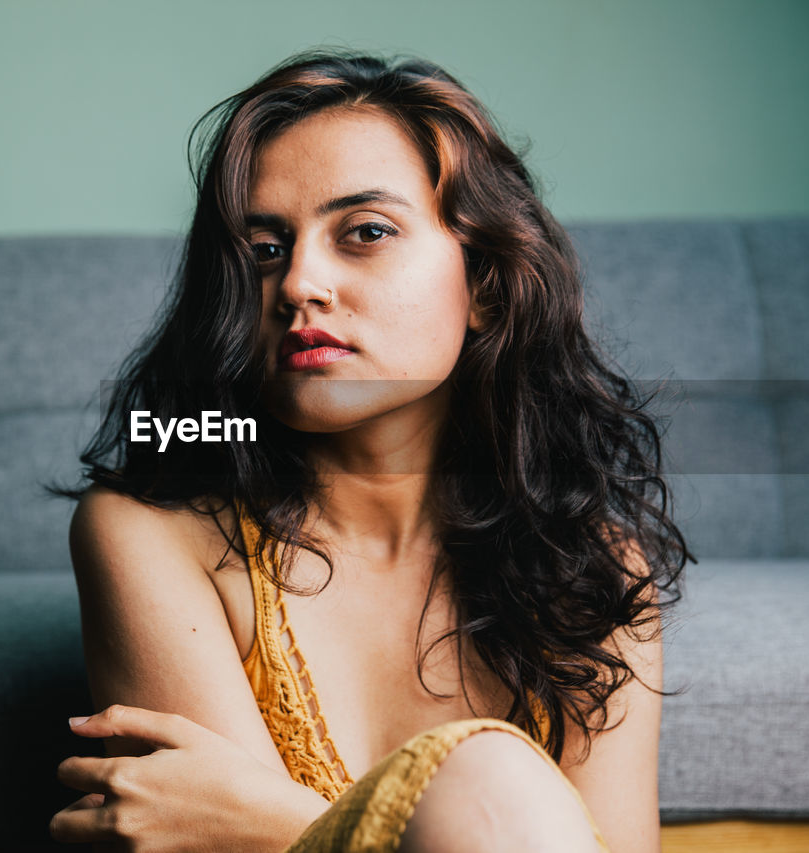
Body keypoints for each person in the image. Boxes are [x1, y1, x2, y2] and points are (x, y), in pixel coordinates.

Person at [47, 49, 690, 852]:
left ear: (485, 284)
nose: (298, 285)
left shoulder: (597, 565)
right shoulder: (144, 530)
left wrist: (276, 821)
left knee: (488, 775)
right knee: (490, 779)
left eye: (365, 232)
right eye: (265, 250)